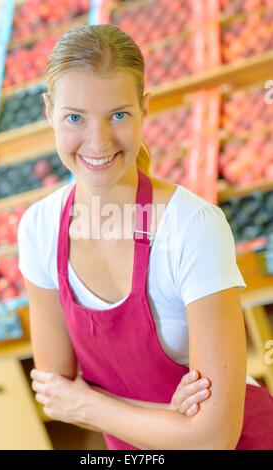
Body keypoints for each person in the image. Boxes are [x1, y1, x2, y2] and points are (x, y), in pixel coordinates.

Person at [18, 24, 273, 450]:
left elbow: (214, 438)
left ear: (144, 110)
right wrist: (169, 420)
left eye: (118, 114)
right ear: (49, 111)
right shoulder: (39, 229)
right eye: (74, 117)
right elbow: (54, 393)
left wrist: (91, 407)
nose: (97, 142)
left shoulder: (191, 227)